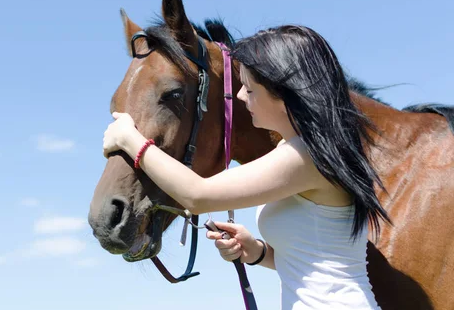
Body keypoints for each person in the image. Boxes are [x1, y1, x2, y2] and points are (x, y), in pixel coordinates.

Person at [102, 25, 390, 309]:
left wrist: (131, 140)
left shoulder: (308, 156)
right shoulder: (296, 152)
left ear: (283, 92)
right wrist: (257, 252)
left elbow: (197, 195)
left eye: (249, 89)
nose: (239, 97)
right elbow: (317, 264)